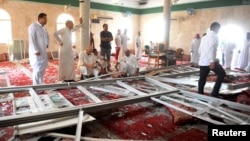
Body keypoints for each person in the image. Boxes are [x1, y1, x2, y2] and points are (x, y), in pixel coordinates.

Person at [198, 22, 226, 98]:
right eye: (219, 29)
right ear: (216, 28)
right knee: (222, 74)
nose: (219, 31)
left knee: (202, 78)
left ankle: (200, 94)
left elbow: (199, 50)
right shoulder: (214, 36)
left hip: (203, 61)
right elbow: (212, 49)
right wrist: (212, 61)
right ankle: (214, 93)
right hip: (210, 61)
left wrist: (202, 58)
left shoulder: (204, 37)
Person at [54, 18, 83, 82]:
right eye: (72, 24)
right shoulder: (63, 29)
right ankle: (65, 78)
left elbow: (76, 28)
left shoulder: (69, 30)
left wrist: (80, 24)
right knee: (64, 64)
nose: (73, 25)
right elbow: (55, 33)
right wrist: (60, 42)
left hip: (69, 50)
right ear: (68, 24)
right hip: (64, 50)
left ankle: (70, 78)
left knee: (71, 63)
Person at [28, 13, 49, 85]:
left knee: (42, 68)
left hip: (43, 50)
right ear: (40, 19)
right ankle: (36, 85)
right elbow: (31, 39)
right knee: (37, 68)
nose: (46, 20)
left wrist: (47, 44)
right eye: (45, 19)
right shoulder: (33, 26)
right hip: (36, 52)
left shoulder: (44, 28)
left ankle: (40, 84)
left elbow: (47, 37)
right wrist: (35, 50)